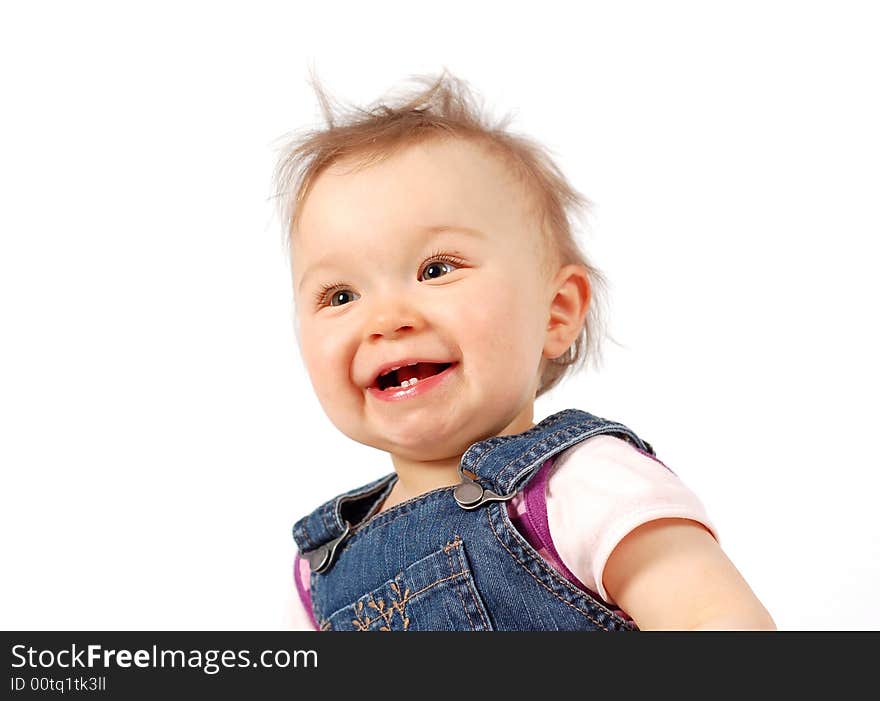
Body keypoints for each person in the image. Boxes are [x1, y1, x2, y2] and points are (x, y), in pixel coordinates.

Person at [274, 70, 775, 631]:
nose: (386, 320)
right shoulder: (321, 570)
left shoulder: (581, 488)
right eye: (340, 295)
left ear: (555, 312)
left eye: (436, 270)